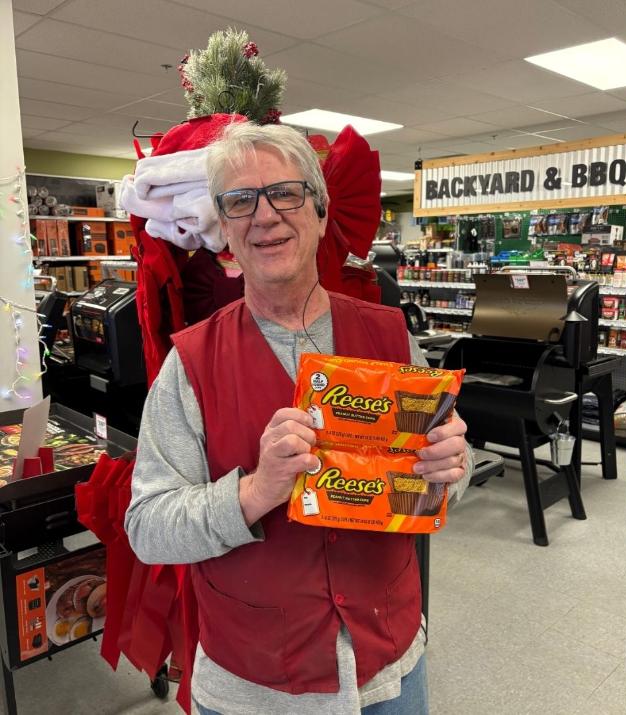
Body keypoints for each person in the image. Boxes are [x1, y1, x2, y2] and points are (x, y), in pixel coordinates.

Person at [124, 122, 472, 715]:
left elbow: (441, 483)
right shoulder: (191, 364)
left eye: (284, 193)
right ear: (226, 230)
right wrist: (254, 492)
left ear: (319, 209)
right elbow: (147, 528)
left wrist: (451, 469)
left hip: (388, 672)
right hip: (254, 687)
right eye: (240, 201)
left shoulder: (390, 336)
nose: (264, 217)